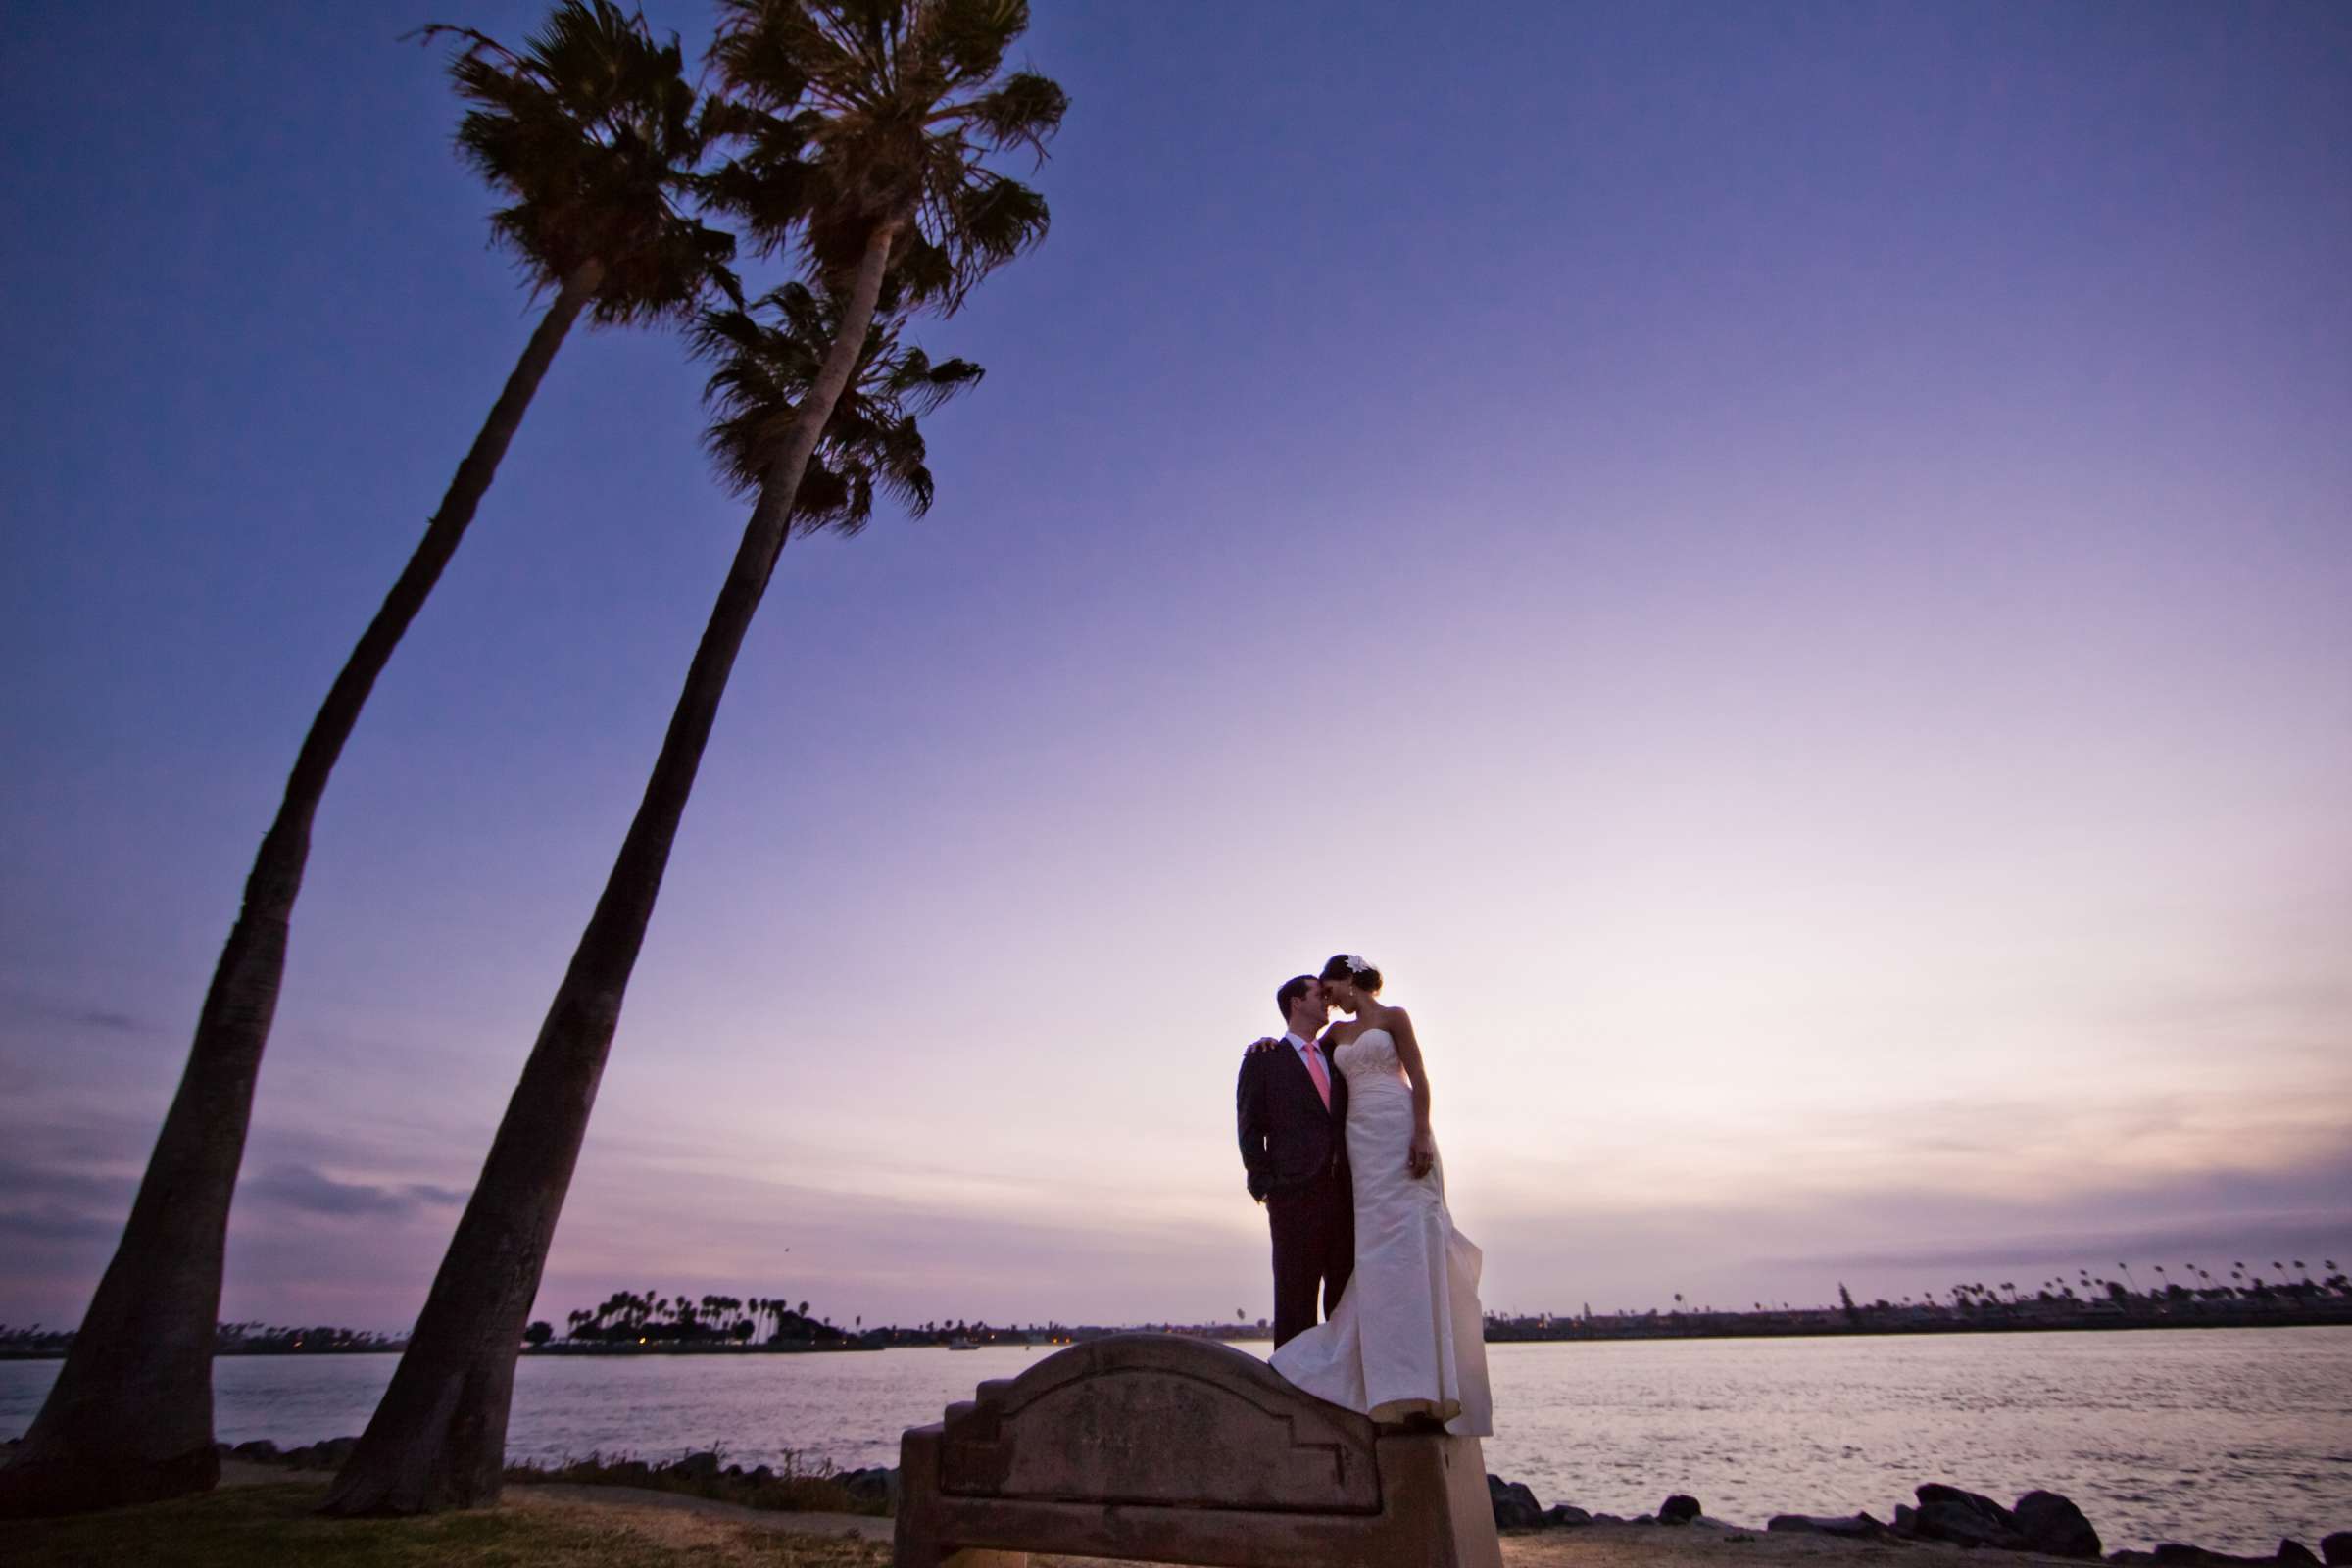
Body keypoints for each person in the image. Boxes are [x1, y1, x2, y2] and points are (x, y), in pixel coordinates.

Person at [1248, 955, 1491, 1435]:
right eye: (1320, 993)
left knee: (1416, 1239)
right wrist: (1267, 1044)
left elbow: (1420, 1079)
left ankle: (1431, 1378)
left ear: (1347, 980)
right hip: (1362, 1147)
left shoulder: (1395, 1018)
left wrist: (1421, 1132)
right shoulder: (1334, 1038)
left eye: (1329, 988)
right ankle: (1384, 1380)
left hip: (1400, 1128)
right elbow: (1304, 1060)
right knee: (1376, 1253)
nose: (1329, 998)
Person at [1236, 974, 1353, 1348]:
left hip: (1344, 1195)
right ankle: (1290, 1389)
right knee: (1295, 1296)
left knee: (1345, 1297)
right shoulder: (1264, 1059)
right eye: (1319, 994)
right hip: (1293, 1196)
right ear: (1296, 1003)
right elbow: (1249, 1127)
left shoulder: (1337, 1058)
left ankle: (1342, 1388)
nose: (1327, 1001)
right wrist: (1265, 1185)